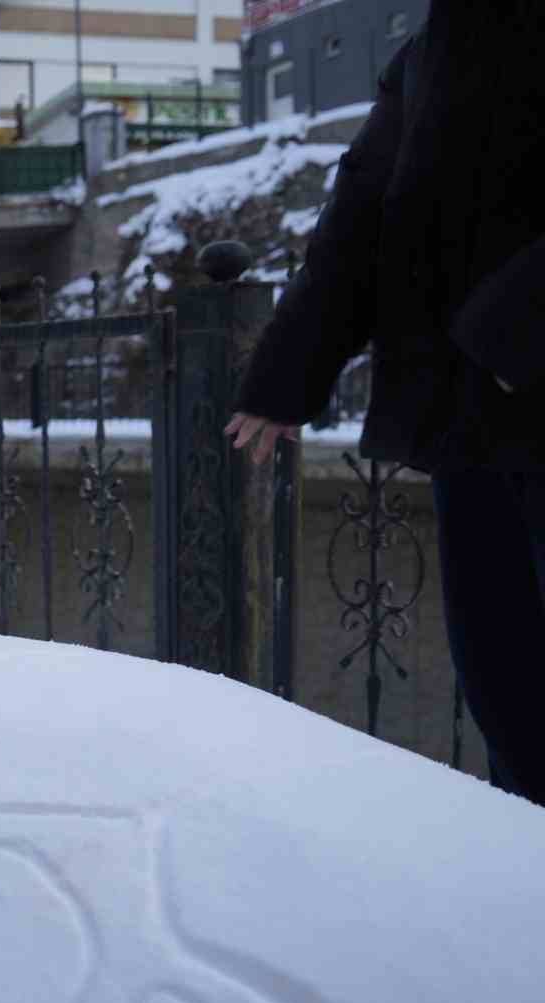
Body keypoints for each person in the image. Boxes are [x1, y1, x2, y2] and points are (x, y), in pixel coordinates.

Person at [227, 1, 545, 802]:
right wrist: (288, 372)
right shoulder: (438, 45)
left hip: (504, 376)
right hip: (475, 415)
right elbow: (364, 209)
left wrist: (514, 332)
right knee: (507, 691)